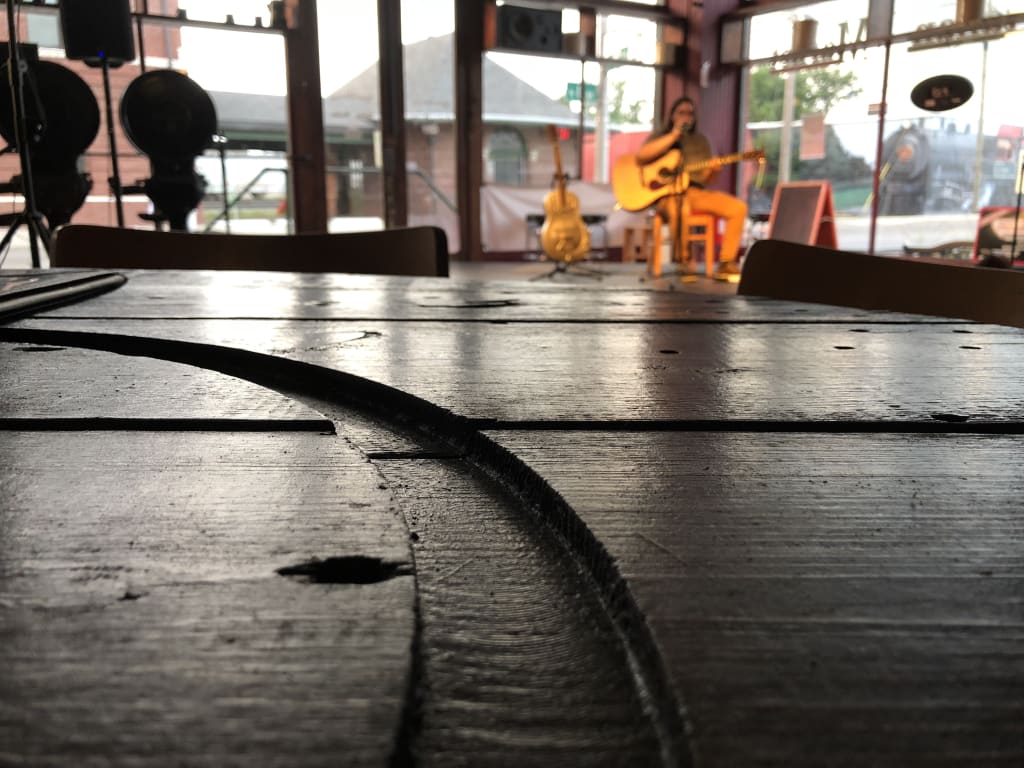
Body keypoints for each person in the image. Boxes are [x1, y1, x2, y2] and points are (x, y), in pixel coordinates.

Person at [636, 96, 747, 280]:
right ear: (672, 115)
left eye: (690, 114)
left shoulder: (701, 141)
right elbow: (641, 156)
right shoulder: (661, 136)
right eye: (681, 113)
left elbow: (707, 179)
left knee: (738, 208)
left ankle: (726, 263)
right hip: (666, 195)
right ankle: (685, 261)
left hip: (695, 191)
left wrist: (713, 170)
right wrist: (673, 135)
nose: (686, 117)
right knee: (680, 207)